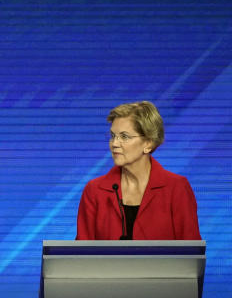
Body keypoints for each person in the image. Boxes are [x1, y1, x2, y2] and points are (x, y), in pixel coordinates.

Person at [76, 101, 199, 240]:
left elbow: (191, 254)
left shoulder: (176, 188)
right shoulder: (94, 190)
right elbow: (82, 255)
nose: (114, 144)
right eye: (113, 136)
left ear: (148, 143)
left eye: (124, 137)